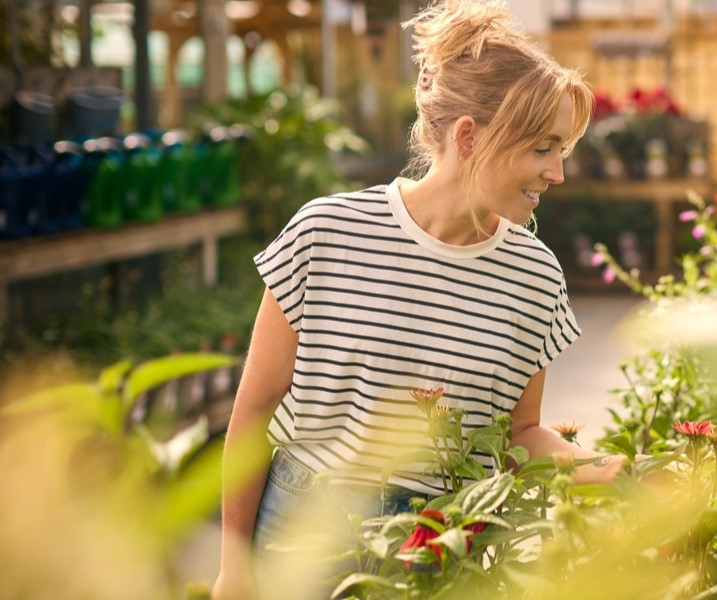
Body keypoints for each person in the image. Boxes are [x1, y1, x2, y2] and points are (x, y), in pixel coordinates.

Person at [211, 2, 619, 598]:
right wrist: (232, 567)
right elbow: (252, 414)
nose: (557, 173)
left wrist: (610, 472)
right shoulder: (326, 233)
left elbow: (520, 433)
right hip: (303, 537)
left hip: (444, 549)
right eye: (542, 148)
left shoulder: (536, 277)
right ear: (470, 136)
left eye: (564, 150)